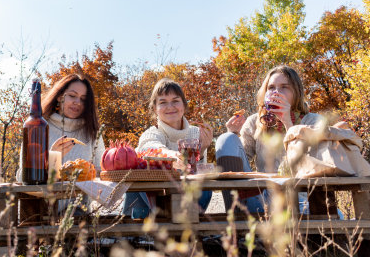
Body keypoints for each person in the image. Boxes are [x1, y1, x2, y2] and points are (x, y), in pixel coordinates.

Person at [215, 65, 324, 212]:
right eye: (271, 87)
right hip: (262, 200)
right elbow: (240, 163)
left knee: (335, 215)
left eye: (284, 87)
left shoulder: (313, 121)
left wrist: (287, 123)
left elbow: (313, 165)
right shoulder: (255, 122)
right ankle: (236, 220)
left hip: (300, 199)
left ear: (296, 92)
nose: (276, 92)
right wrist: (233, 135)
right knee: (226, 139)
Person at [123, 78, 213, 219]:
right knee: (138, 171)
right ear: (155, 109)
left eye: (175, 101)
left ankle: (190, 224)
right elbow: (151, 147)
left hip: (187, 195)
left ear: (183, 105)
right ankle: (139, 230)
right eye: (163, 102)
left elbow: (197, 172)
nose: (170, 107)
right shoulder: (153, 133)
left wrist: (201, 152)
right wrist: (172, 156)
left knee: (205, 186)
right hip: (155, 198)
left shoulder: (196, 133)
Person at [16, 74, 105, 183]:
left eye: (83, 99)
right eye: (72, 95)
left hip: (83, 200)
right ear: (59, 96)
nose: (77, 102)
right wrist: (50, 159)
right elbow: (22, 178)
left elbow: (103, 176)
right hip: (44, 200)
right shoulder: (38, 127)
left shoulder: (93, 132)